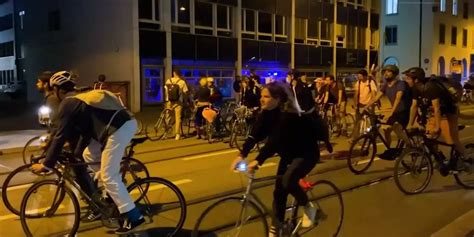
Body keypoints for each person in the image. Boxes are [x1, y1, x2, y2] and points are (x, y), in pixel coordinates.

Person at [32, 73, 144, 234]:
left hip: (119, 128)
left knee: (108, 176)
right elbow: (85, 131)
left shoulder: (68, 103)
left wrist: (46, 164)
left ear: (57, 89)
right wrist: (75, 153)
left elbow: (60, 135)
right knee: (88, 156)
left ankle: (135, 218)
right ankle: (110, 193)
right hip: (113, 128)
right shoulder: (78, 98)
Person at [230, 82, 325, 237]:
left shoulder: (287, 115)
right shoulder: (266, 114)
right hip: (288, 156)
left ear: (278, 99)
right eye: (261, 96)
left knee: (288, 181)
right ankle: (277, 226)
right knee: (279, 193)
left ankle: (309, 208)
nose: (261, 99)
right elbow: (254, 135)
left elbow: (274, 142)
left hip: (305, 154)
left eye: (266, 96)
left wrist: (258, 160)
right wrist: (241, 155)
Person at [405, 68, 465, 175]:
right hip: (434, 112)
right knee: (429, 137)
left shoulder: (431, 88)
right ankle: (441, 159)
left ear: (416, 80)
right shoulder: (415, 88)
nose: (406, 80)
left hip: (449, 110)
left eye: (409, 78)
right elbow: (414, 106)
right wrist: (410, 124)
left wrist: (438, 127)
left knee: (452, 139)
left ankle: (463, 160)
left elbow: (437, 108)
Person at [364, 65, 412, 159]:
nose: (386, 73)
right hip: (395, 112)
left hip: (403, 111)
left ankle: (409, 145)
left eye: (389, 71)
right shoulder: (386, 85)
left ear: (394, 74)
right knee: (386, 130)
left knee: (396, 128)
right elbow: (376, 97)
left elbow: (398, 98)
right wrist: (365, 107)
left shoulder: (400, 84)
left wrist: (391, 112)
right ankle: (389, 150)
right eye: (385, 71)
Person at [351, 69, 378, 142]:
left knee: (372, 120)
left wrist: (371, 103)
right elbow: (356, 94)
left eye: (360, 76)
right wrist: (355, 104)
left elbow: (373, 94)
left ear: (365, 76)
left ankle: (374, 134)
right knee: (357, 121)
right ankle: (354, 138)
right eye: (358, 76)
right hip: (360, 104)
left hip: (369, 104)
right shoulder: (358, 83)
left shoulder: (370, 82)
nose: (359, 77)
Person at [165, 69, 189, 140]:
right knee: (178, 118)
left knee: (168, 117)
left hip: (169, 102)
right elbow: (185, 92)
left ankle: (166, 133)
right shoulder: (182, 82)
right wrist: (186, 101)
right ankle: (177, 134)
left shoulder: (168, 80)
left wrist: (167, 99)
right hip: (178, 102)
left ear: (174, 73)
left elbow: (166, 91)